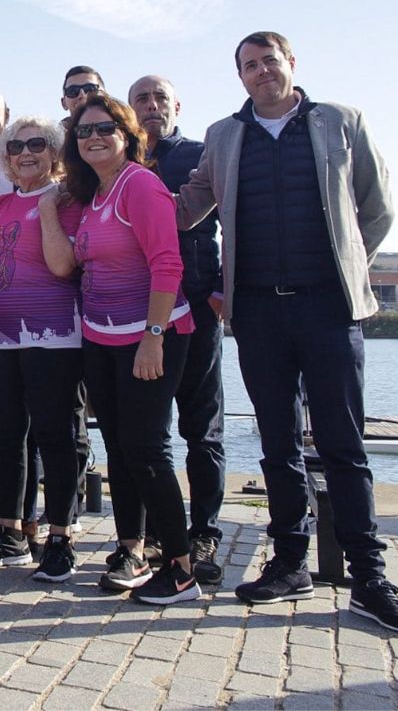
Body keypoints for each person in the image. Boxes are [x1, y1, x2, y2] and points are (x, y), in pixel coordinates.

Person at [177, 32, 398, 635]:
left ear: (292, 64)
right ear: (239, 77)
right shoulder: (223, 136)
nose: (261, 72)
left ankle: (368, 577)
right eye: (249, 66)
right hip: (257, 312)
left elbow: (378, 205)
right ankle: (289, 561)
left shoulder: (340, 121)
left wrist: (347, 261)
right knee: (276, 441)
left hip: (329, 308)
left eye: (270, 62)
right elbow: (190, 205)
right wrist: (112, 199)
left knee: (343, 444)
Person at [41, 96, 201, 606]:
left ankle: (178, 567)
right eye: (85, 131)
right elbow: (71, 267)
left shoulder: (141, 185)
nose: (94, 137)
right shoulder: (93, 196)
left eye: (106, 128)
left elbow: (167, 264)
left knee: (148, 450)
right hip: (101, 338)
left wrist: (154, 337)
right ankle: (130, 549)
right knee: (121, 449)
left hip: (149, 337)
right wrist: (49, 205)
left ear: (127, 134)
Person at [0, 116, 88, 581]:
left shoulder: (70, 202)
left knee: (55, 436)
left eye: (37, 144)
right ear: (5, 159)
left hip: (54, 336)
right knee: (7, 435)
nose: (25, 154)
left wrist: (48, 207)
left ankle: (60, 538)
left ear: (54, 152)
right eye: (15, 148)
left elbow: (63, 264)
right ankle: (9, 535)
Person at [128, 75, 225, 586]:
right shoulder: (118, 161)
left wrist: (222, 287)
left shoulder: (200, 153)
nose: (150, 106)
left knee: (201, 425)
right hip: (137, 311)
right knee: (147, 429)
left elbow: (236, 217)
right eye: (141, 99)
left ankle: (203, 530)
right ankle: (154, 531)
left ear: (175, 104)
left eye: (159, 97)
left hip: (197, 305)